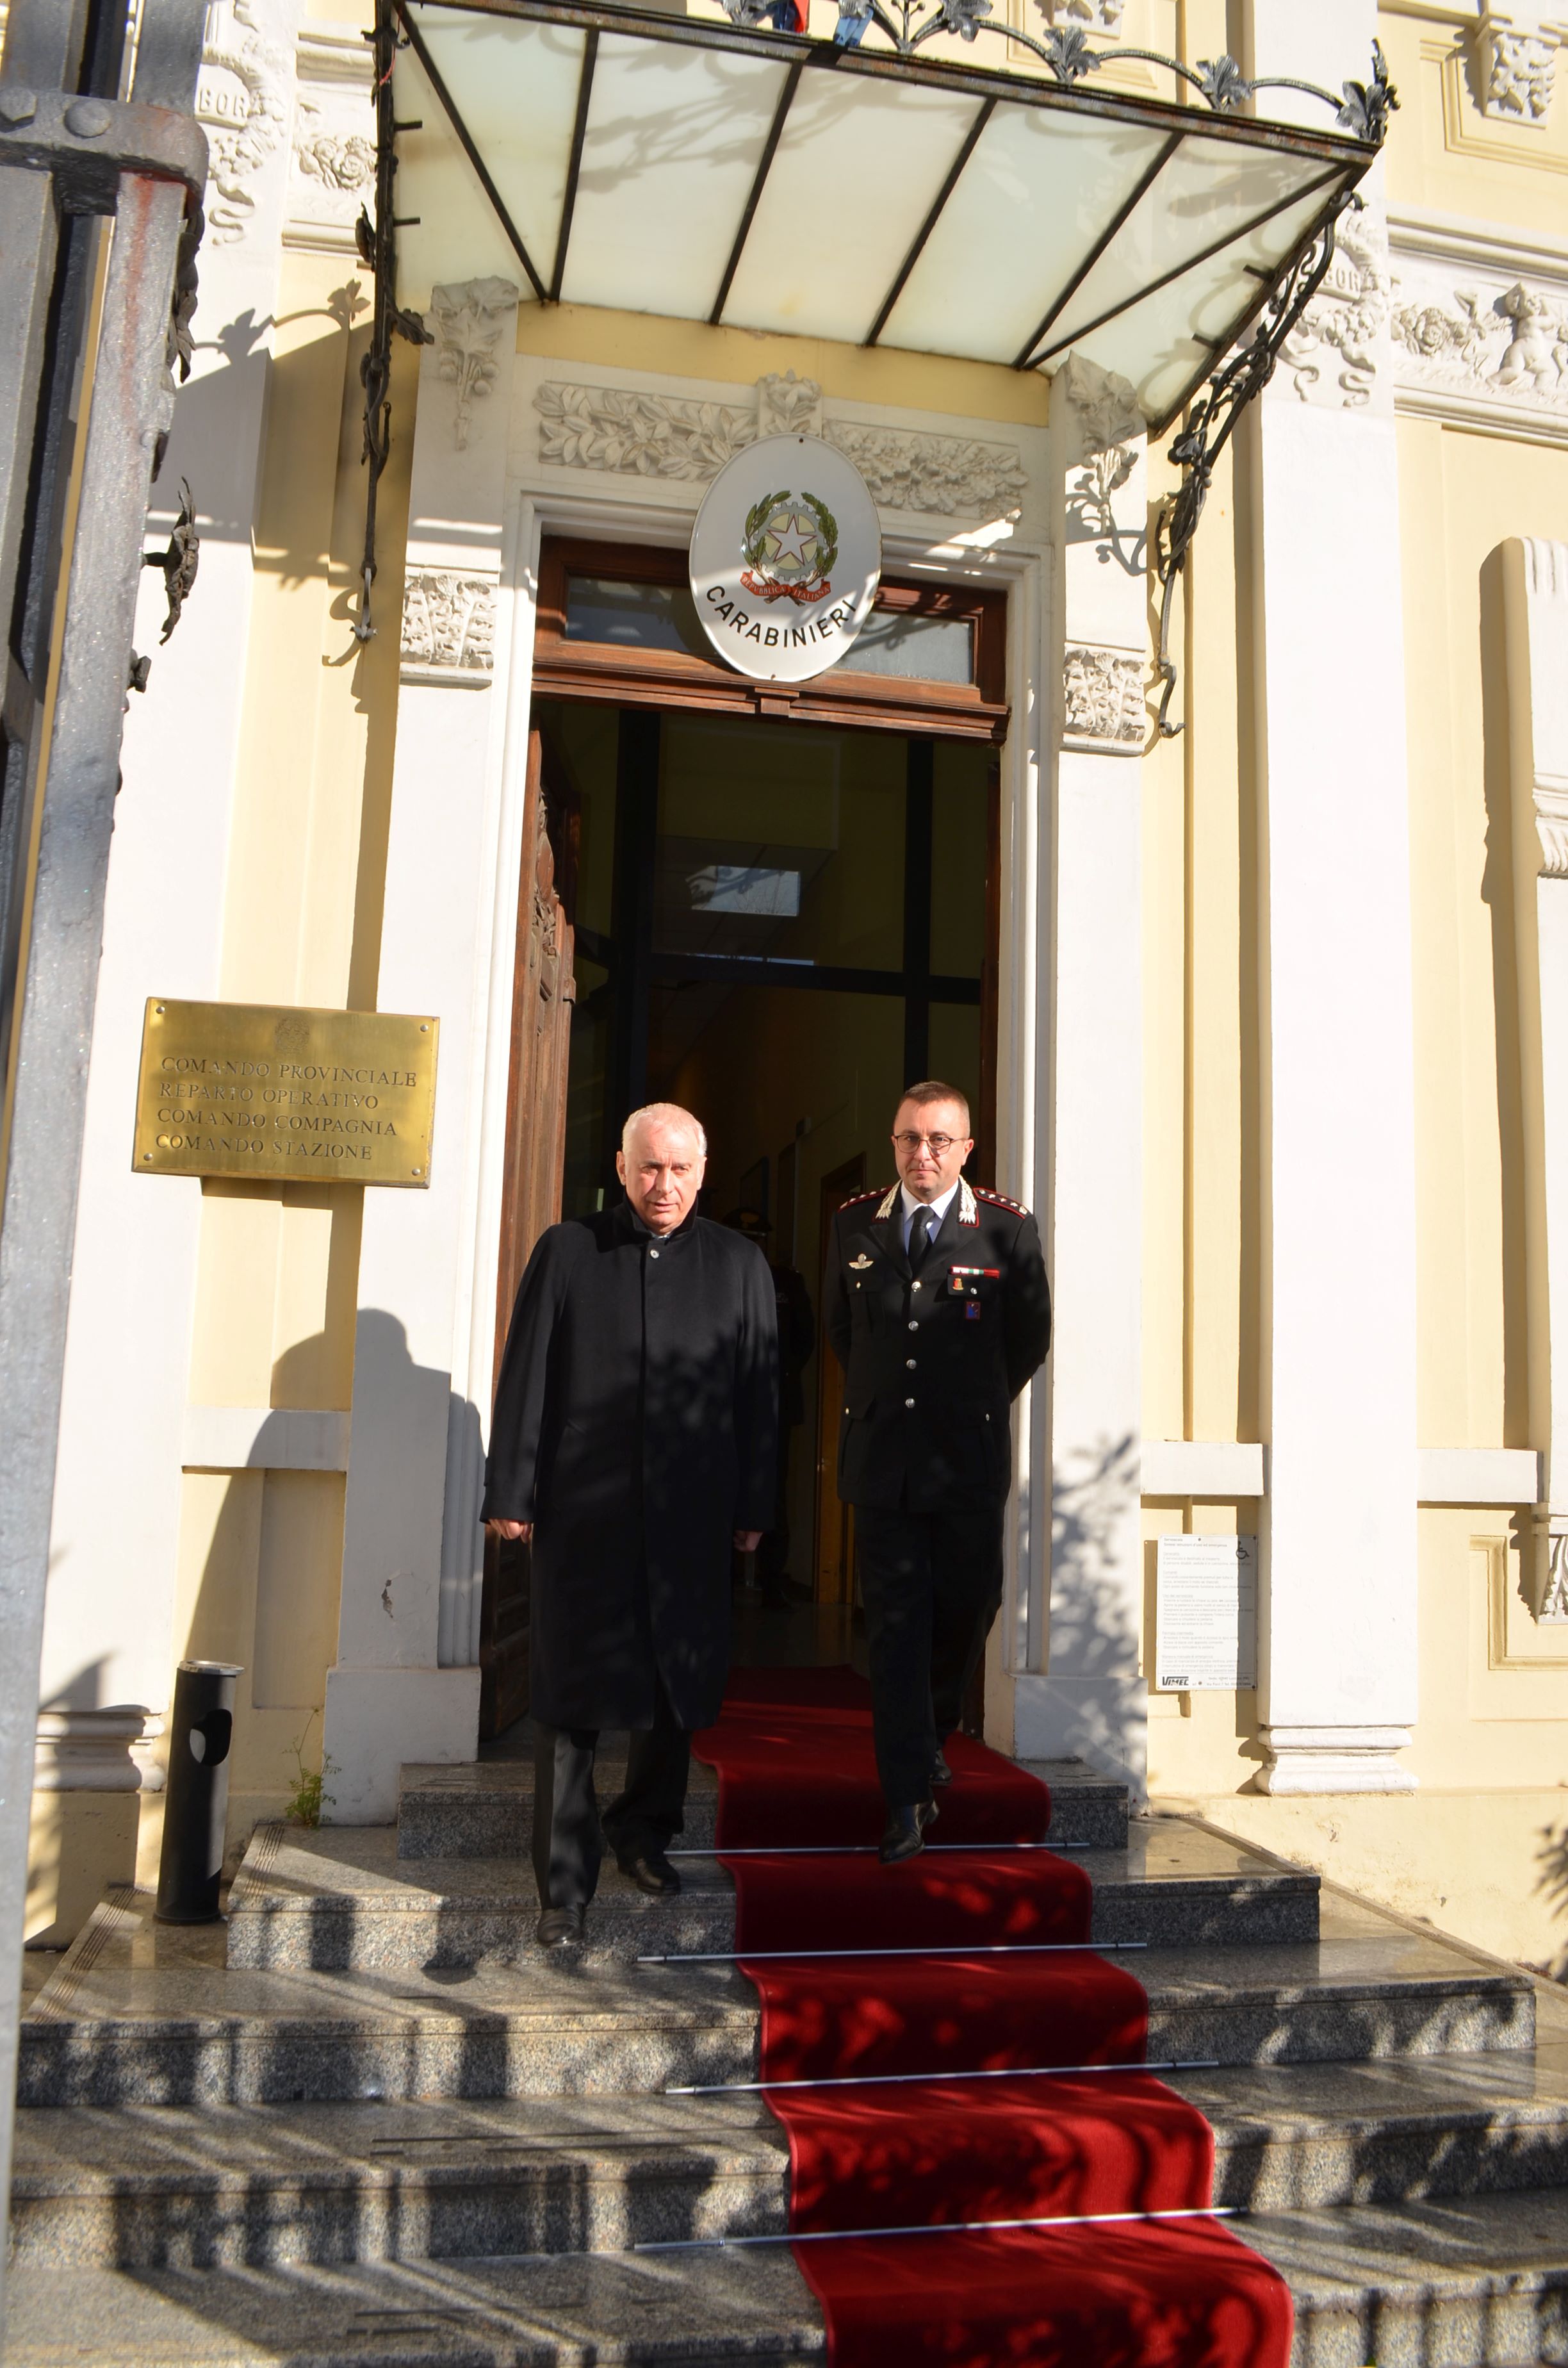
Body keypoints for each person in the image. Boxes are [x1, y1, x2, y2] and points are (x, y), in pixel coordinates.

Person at [484, 1103, 778, 1947]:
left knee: (673, 1692)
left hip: (692, 1518)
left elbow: (760, 1397)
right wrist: (514, 1488)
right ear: (621, 1168)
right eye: (650, 1168)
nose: (665, 1186)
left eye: (681, 1169)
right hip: (584, 1518)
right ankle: (562, 1889)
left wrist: (756, 1506)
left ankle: (643, 1832)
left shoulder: (740, 1264)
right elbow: (528, 1372)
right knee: (569, 1701)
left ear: (703, 1169)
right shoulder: (569, 1251)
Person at [825, 1081, 1051, 1863]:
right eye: (909, 1140)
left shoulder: (1005, 1229)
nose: (923, 1155)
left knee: (965, 1608)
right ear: (894, 1144)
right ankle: (905, 1795)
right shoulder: (855, 1222)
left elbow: (1026, 1341)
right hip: (882, 1462)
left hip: (967, 1462)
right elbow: (843, 1333)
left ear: (966, 1149)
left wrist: (970, 1407)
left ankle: (933, 1734)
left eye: (939, 1141)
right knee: (895, 1628)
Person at [723, 1207, 814, 1607]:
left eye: (756, 1240)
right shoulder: (713, 1273)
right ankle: (720, 1575)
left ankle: (772, 1578)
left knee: (773, 1492)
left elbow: (804, 1341)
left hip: (774, 1402)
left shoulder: (786, 1282)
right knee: (718, 1487)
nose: (750, 1246)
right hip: (718, 1404)